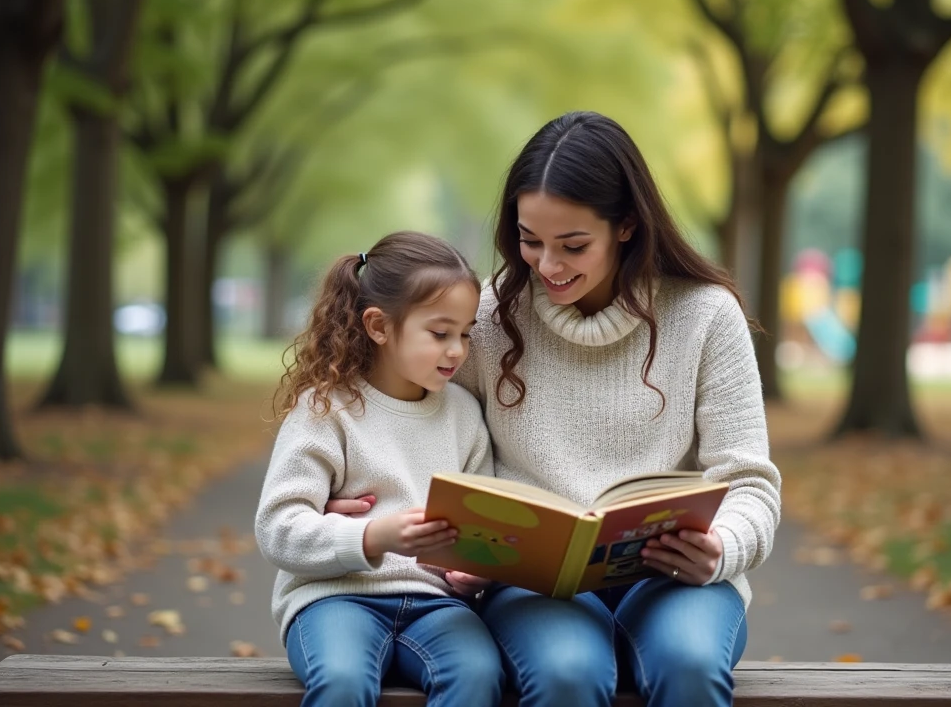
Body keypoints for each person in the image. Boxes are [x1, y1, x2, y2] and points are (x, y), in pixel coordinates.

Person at [329, 111, 782, 706]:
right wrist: (357, 491)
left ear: (625, 226)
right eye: (529, 239)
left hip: (678, 577)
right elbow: (401, 406)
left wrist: (722, 547)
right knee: (567, 672)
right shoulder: (486, 318)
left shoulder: (706, 316)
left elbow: (749, 481)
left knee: (690, 662)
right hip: (531, 582)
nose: (547, 266)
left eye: (572, 245)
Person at [255, 231, 504, 707]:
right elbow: (278, 528)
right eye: (440, 333)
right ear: (378, 326)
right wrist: (374, 537)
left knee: (477, 674)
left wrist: (479, 570)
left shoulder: (464, 415)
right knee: (343, 681)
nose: (457, 350)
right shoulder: (327, 409)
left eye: (466, 333)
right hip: (333, 598)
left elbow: (481, 526)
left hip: (436, 604)